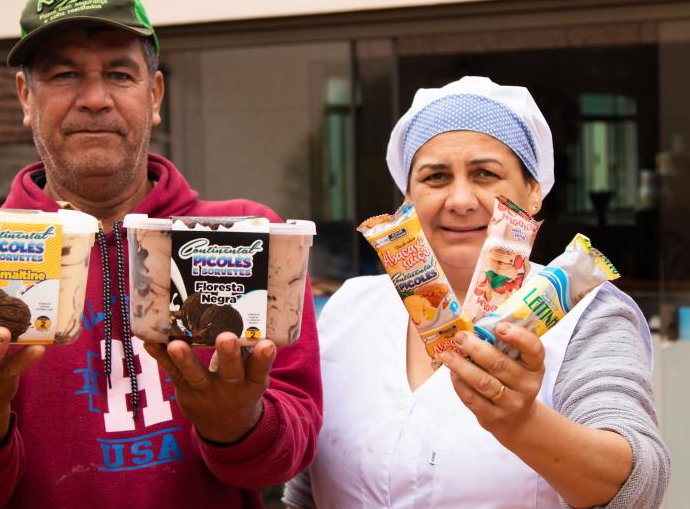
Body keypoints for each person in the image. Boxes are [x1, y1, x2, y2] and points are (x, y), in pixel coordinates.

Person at [0, 0, 321, 508]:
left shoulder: (247, 239)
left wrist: (238, 422)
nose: (94, 99)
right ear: (26, 96)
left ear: (155, 93)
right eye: (65, 73)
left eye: (119, 74)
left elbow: (287, 455)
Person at [283, 76, 669, 508]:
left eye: (485, 174)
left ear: (534, 192)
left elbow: (640, 484)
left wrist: (521, 421)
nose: (461, 199)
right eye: (436, 177)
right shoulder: (349, 309)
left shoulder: (585, 314)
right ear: (407, 196)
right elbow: (306, 488)